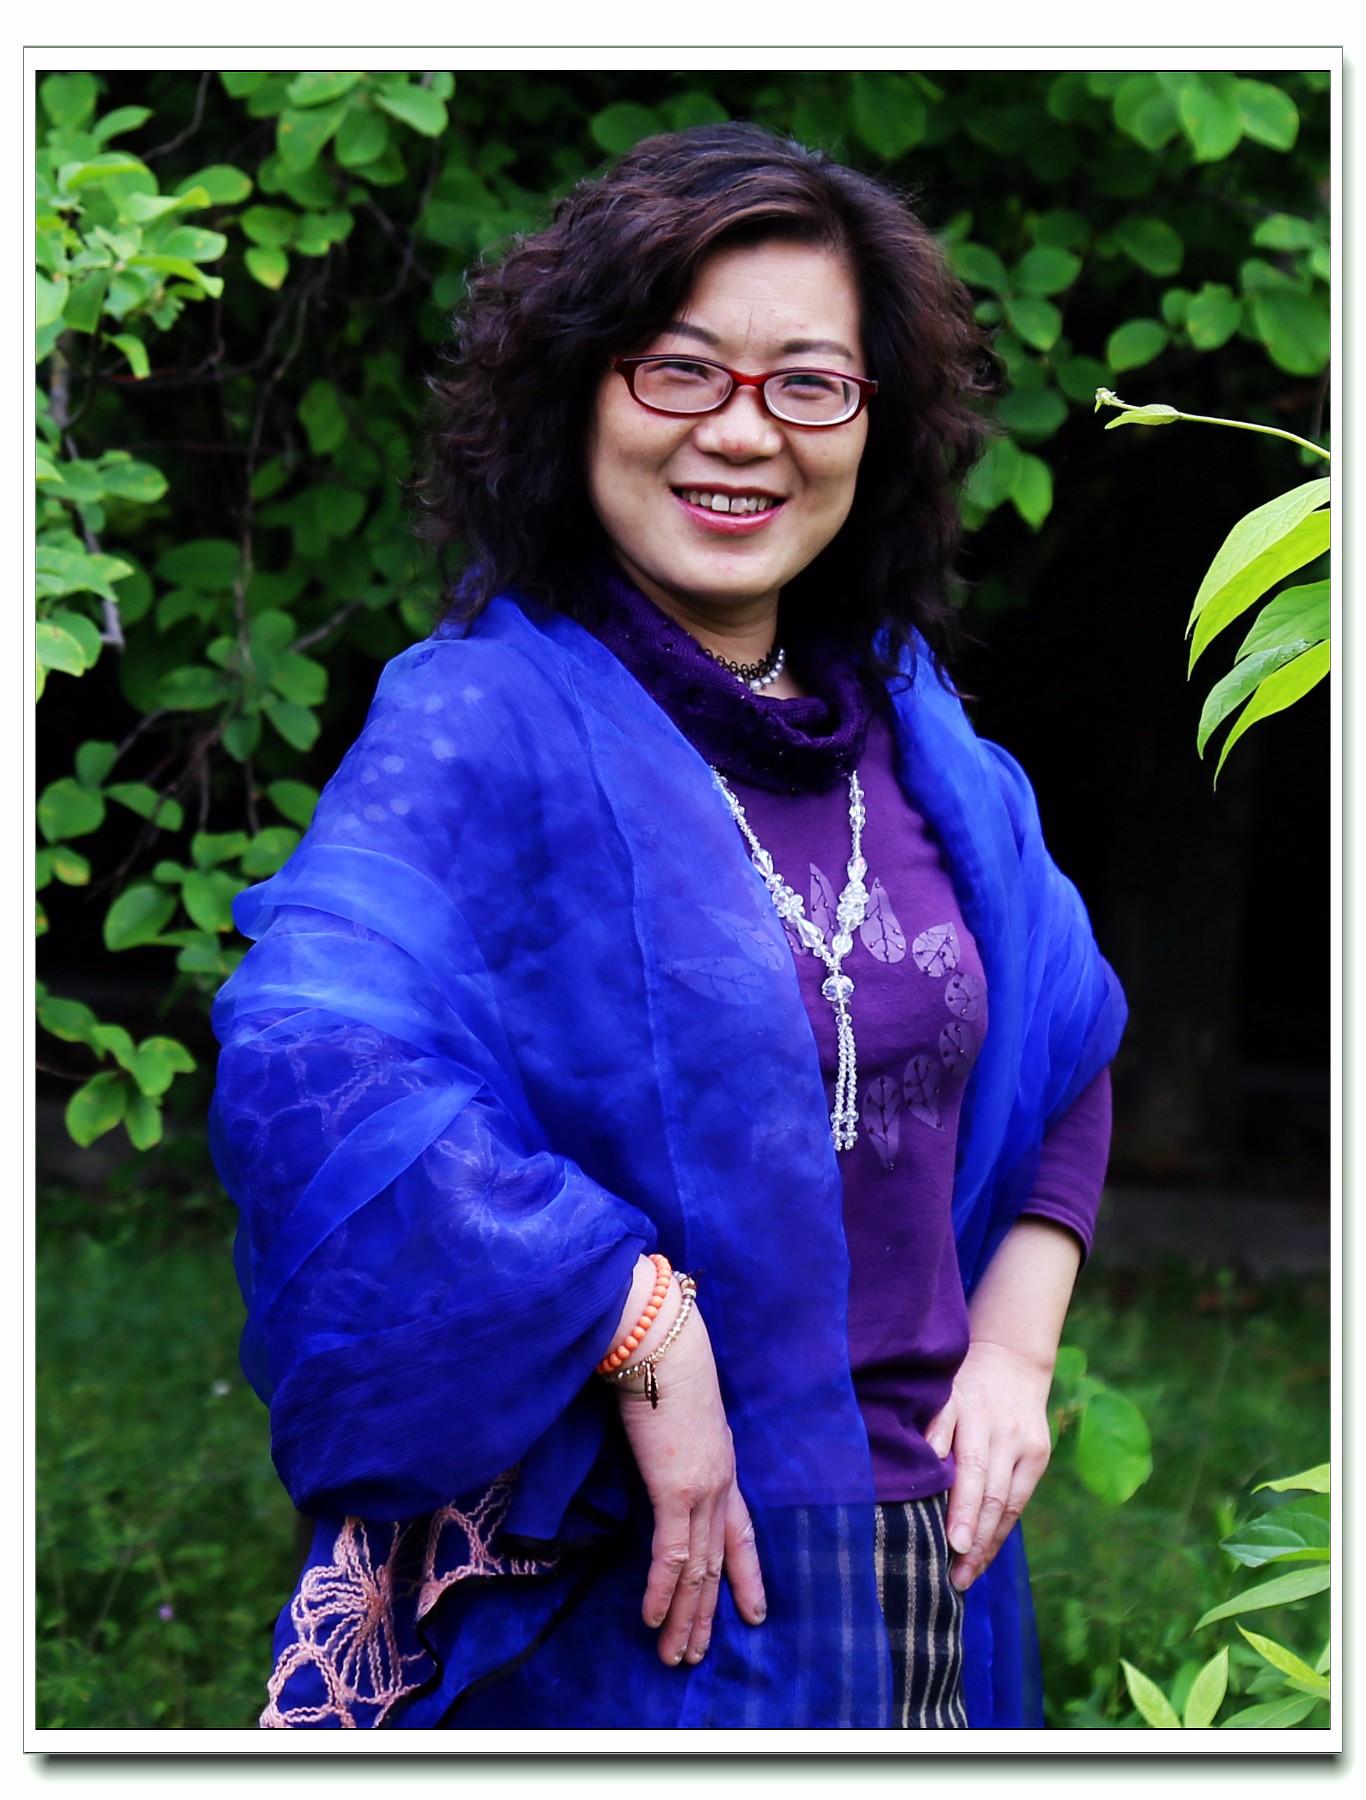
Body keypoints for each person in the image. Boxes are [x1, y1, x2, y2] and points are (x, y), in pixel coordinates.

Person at [210, 121, 1125, 1732]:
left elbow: (1065, 1043)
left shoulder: (926, 746)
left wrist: (1015, 1355)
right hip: (624, 1590)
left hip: (933, 1578)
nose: (743, 431)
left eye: (808, 384)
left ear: (875, 426)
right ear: (579, 394)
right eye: (679, 369)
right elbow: (312, 1069)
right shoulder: (480, 726)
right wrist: (631, 1315)